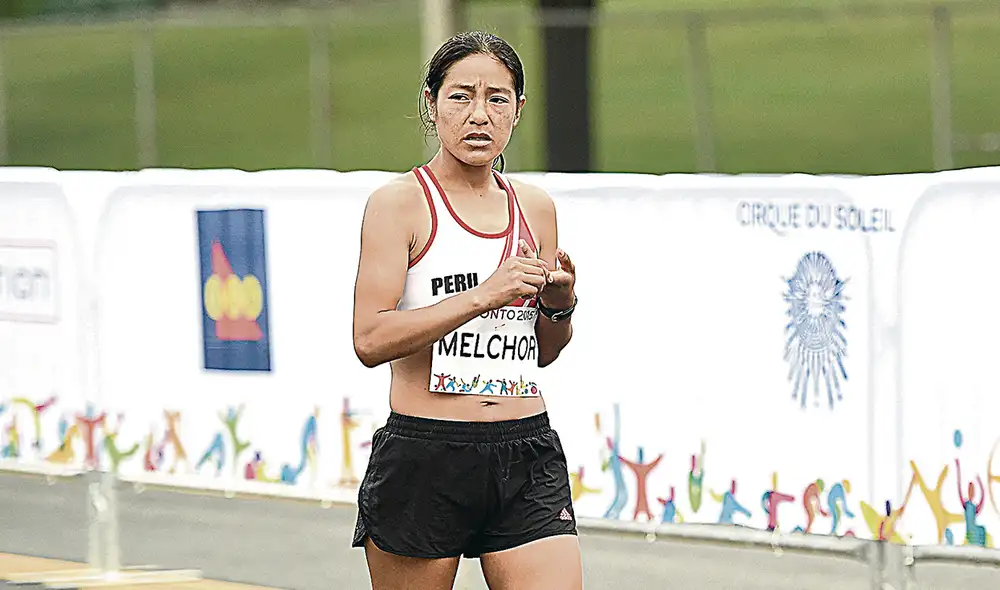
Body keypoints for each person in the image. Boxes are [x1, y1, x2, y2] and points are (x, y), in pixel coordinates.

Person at [351, 30, 582, 590]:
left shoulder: (536, 208)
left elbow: (542, 353)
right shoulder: (399, 205)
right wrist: (483, 294)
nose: (479, 114)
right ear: (431, 104)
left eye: (497, 98)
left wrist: (559, 305)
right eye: (461, 96)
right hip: (426, 452)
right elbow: (369, 339)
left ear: (518, 110)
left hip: (525, 449)